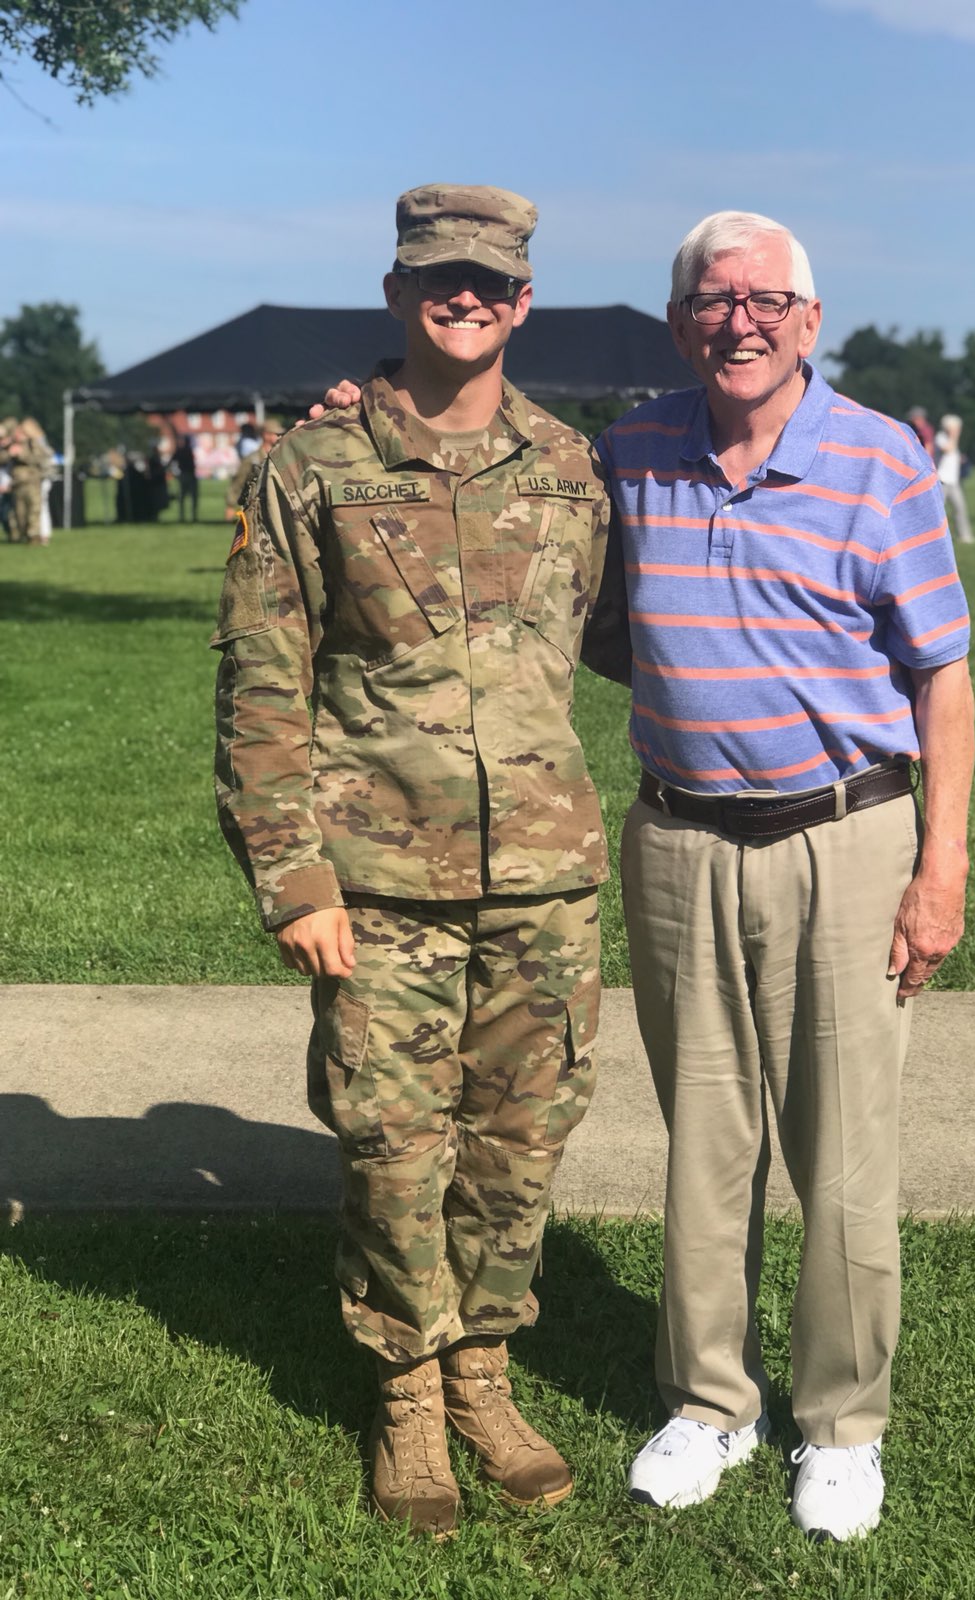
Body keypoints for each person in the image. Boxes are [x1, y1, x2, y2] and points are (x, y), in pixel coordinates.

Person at [212, 184, 610, 1538]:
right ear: (397, 293)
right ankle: (405, 1393)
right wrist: (292, 874)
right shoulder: (309, 466)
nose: (466, 297)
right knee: (390, 1146)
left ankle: (486, 1377)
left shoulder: (568, 464)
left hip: (547, 879)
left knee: (520, 1147)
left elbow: (608, 637)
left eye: (491, 280)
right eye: (440, 277)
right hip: (378, 880)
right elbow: (263, 685)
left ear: (522, 300)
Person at [582, 210, 974, 1543]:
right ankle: (710, 1403)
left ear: (809, 320)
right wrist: (371, 402)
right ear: (681, 319)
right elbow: (539, 551)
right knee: (706, 1141)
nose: (735, 320)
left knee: (844, 1145)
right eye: (710, 298)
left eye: (762, 299)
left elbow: (944, 675)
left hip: (845, 837)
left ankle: (841, 1424)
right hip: (679, 836)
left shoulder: (879, 460)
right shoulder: (631, 449)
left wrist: (942, 867)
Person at [5, 418, 53, 544]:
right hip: (17, 482)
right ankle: (23, 534)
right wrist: (10, 453)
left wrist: (21, 454)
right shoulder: (11, 445)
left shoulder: (33, 444)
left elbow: (40, 459)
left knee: (34, 509)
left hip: (33, 481)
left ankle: (34, 536)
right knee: (20, 512)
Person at [223, 417, 283, 518]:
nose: (279, 437)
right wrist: (230, 504)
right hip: (256, 507)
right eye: (276, 434)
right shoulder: (252, 459)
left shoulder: (281, 457)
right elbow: (239, 481)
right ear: (266, 435)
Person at [934, 412, 975, 543]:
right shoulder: (940, 437)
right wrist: (954, 435)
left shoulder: (951, 439)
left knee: (960, 509)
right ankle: (934, 537)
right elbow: (948, 449)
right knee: (938, 511)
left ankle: (965, 536)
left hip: (953, 481)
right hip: (942, 481)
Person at [171, 433, 200, 522]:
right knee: (191, 497)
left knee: (183, 497)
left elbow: (171, 461)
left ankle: (183, 517)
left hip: (184, 475)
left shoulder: (180, 451)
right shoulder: (187, 451)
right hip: (188, 475)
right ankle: (191, 517)